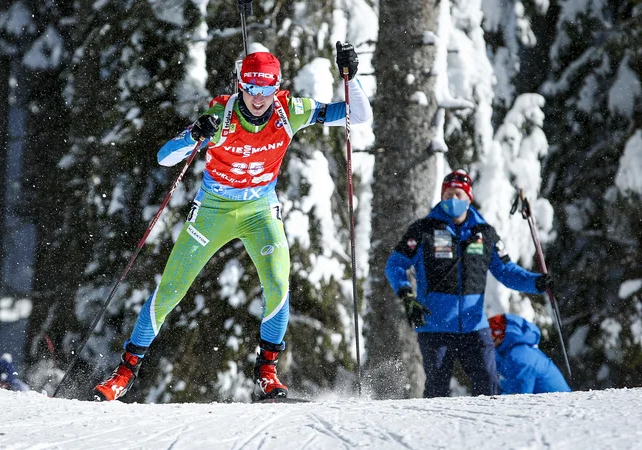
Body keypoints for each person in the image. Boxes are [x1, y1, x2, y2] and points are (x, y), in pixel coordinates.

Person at [94, 43, 372, 401]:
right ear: (241, 85)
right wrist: (194, 133)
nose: (259, 97)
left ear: (277, 87)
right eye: (252, 87)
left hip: (259, 211)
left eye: (267, 88)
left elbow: (357, 115)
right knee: (170, 291)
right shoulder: (221, 115)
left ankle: (267, 373)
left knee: (277, 283)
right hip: (213, 211)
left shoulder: (292, 111)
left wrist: (352, 78)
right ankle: (124, 373)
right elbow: (165, 158)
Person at [384, 170, 553, 397]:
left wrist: (537, 283)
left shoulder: (484, 233)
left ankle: (490, 430)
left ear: (469, 198)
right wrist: (406, 295)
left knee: (489, 387)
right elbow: (395, 265)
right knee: (437, 390)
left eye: (458, 195)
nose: (453, 200)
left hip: (475, 327)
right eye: (448, 195)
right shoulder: (424, 230)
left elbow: (506, 271)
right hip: (435, 326)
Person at [488, 313, 571, 394]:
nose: (485, 339)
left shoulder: (519, 358)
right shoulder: (509, 351)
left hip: (559, 406)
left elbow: (517, 398)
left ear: (499, 336)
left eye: (488, 335)